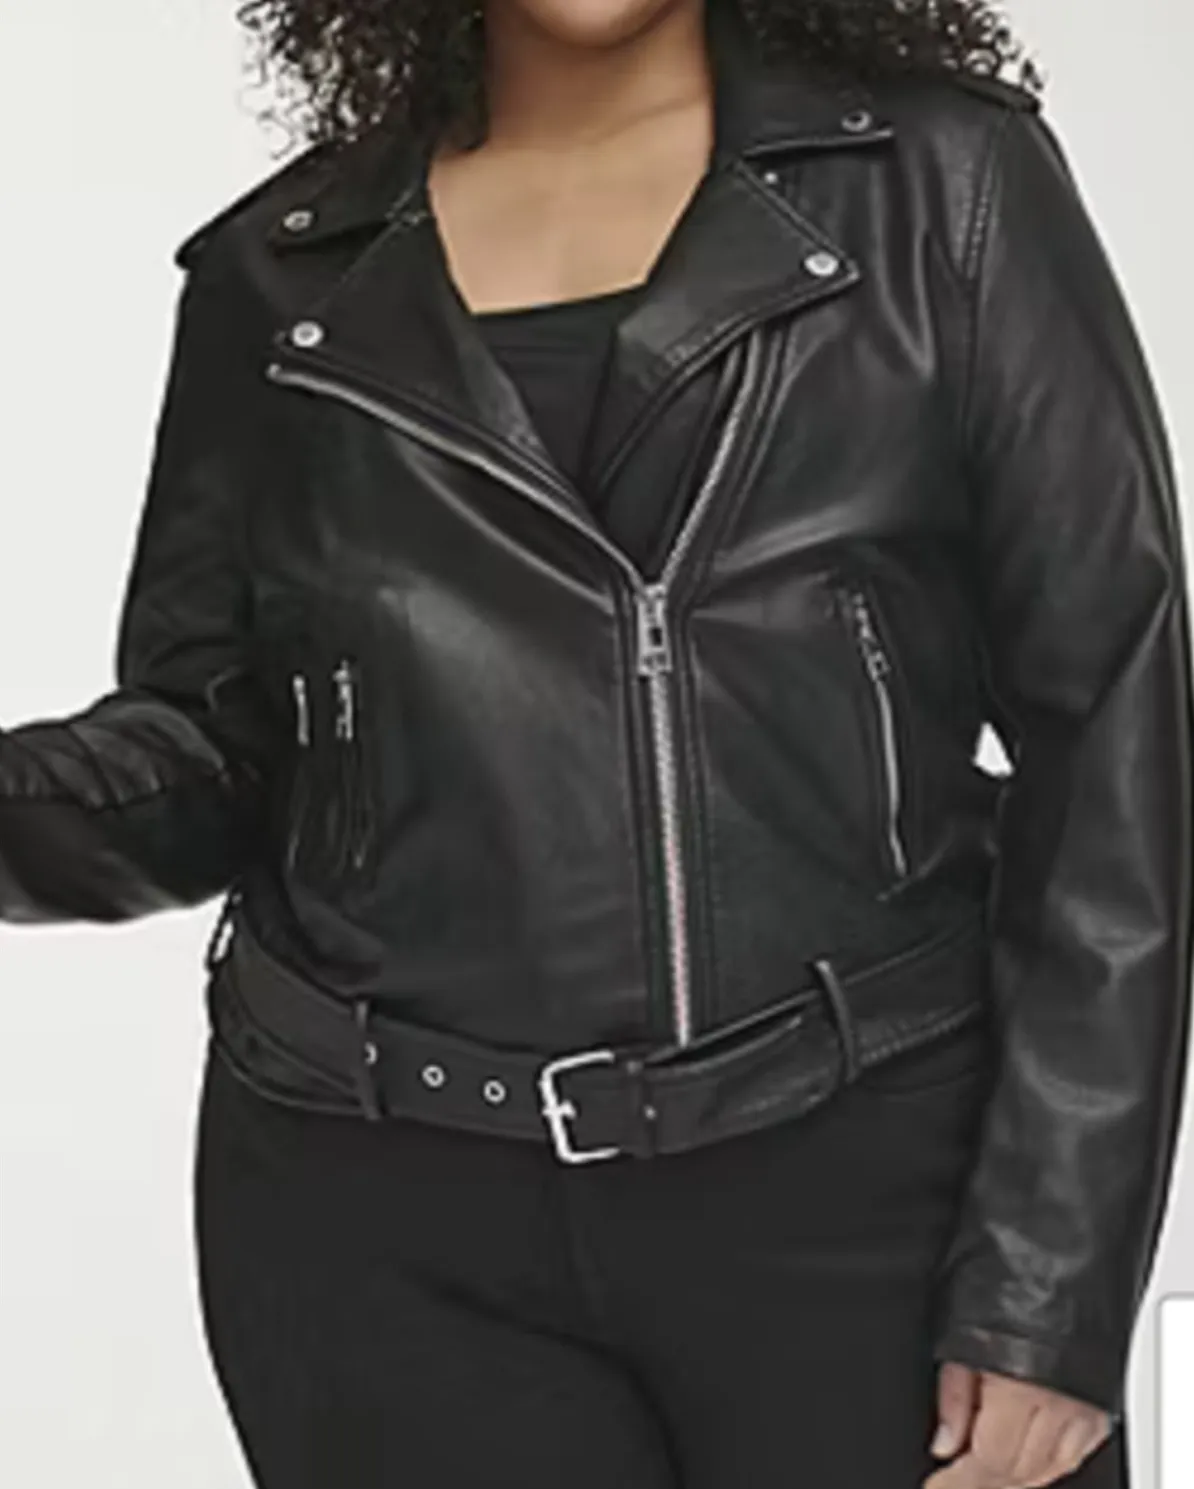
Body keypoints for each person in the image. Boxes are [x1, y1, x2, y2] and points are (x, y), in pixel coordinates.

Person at [2, 0, 1190, 1484]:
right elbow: (217, 744)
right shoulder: (281, 274)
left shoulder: (943, 186)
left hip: (865, 1188)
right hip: (382, 1229)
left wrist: (1048, 1289)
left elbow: (1109, 736)